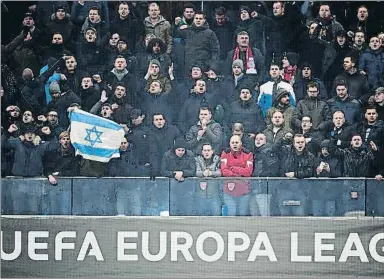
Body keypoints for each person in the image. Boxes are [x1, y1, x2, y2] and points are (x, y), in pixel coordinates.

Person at [278, 134, 317, 216]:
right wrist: (283, 138)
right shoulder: (286, 152)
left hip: (301, 190)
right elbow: (275, 148)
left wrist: (295, 174)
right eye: (298, 142)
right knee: (284, 216)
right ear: (293, 143)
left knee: (299, 215)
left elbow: (310, 172)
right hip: (285, 188)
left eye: (302, 142)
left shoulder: (310, 156)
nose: (300, 144)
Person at [109, 136, 147, 216]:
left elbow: (139, 168)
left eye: (125, 143)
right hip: (120, 187)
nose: (123, 145)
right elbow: (112, 170)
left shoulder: (135, 154)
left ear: (128, 143)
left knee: (136, 210)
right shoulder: (114, 156)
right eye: (121, 143)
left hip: (134, 187)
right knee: (121, 211)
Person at [174, 10, 220, 77]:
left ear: (204, 20)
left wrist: (213, 68)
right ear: (193, 19)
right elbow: (174, 33)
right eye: (196, 18)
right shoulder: (187, 31)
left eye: (200, 19)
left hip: (204, 67)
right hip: (189, 68)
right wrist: (176, 26)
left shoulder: (210, 33)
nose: (198, 20)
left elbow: (216, 51)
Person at [220, 135, 253, 216]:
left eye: (237, 142)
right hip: (228, 191)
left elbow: (248, 172)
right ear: (230, 144)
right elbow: (224, 171)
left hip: (244, 191)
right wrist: (240, 174)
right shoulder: (225, 153)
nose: (235, 144)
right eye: (233, 143)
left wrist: (232, 168)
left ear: (241, 143)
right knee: (231, 213)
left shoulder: (248, 154)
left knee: (242, 214)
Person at [194, 143, 222, 216]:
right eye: (205, 150)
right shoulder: (197, 159)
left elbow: (220, 172)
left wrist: (211, 173)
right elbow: (196, 172)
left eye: (208, 150)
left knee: (216, 215)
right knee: (200, 217)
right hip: (200, 195)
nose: (207, 152)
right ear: (202, 152)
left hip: (214, 194)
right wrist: (204, 173)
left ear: (212, 151)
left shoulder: (218, 159)